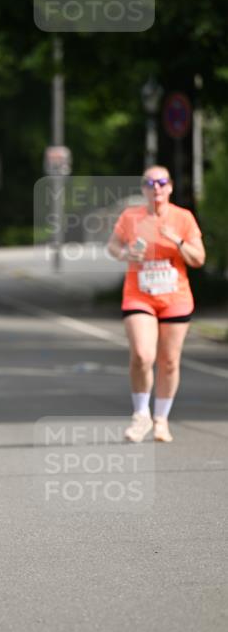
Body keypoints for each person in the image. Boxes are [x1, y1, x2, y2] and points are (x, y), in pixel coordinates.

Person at [107, 165, 205, 443]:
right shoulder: (131, 217)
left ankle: (161, 419)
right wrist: (126, 252)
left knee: (170, 361)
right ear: (143, 189)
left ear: (170, 187)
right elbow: (112, 247)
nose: (156, 188)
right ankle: (141, 415)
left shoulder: (182, 218)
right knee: (142, 354)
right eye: (150, 183)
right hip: (139, 295)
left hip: (176, 297)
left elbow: (198, 259)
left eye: (162, 182)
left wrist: (178, 241)